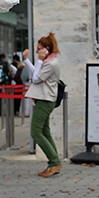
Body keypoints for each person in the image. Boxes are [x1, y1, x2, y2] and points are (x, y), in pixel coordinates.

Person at [23, 32, 62, 178]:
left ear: (46, 49)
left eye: (39, 49)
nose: (37, 52)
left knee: (36, 132)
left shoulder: (51, 64)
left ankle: (54, 161)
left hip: (45, 100)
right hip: (44, 99)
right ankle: (54, 162)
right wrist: (27, 61)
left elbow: (36, 79)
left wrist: (39, 61)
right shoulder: (49, 62)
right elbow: (37, 73)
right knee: (45, 131)